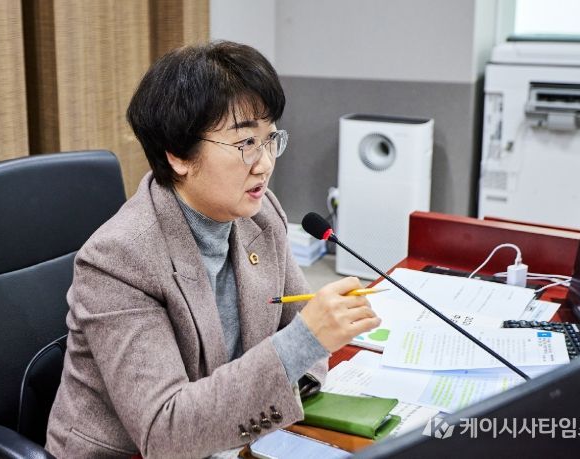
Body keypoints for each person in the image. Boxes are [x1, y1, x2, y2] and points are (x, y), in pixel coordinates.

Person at [45, 40, 381, 458]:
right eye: (245, 144)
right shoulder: (119, 259)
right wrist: (304, 342)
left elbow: (303, 335)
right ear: (178, 156)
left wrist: (304, 348)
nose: (265, 163)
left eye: (270, 138)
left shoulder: (260, 214)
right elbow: (164, 429)